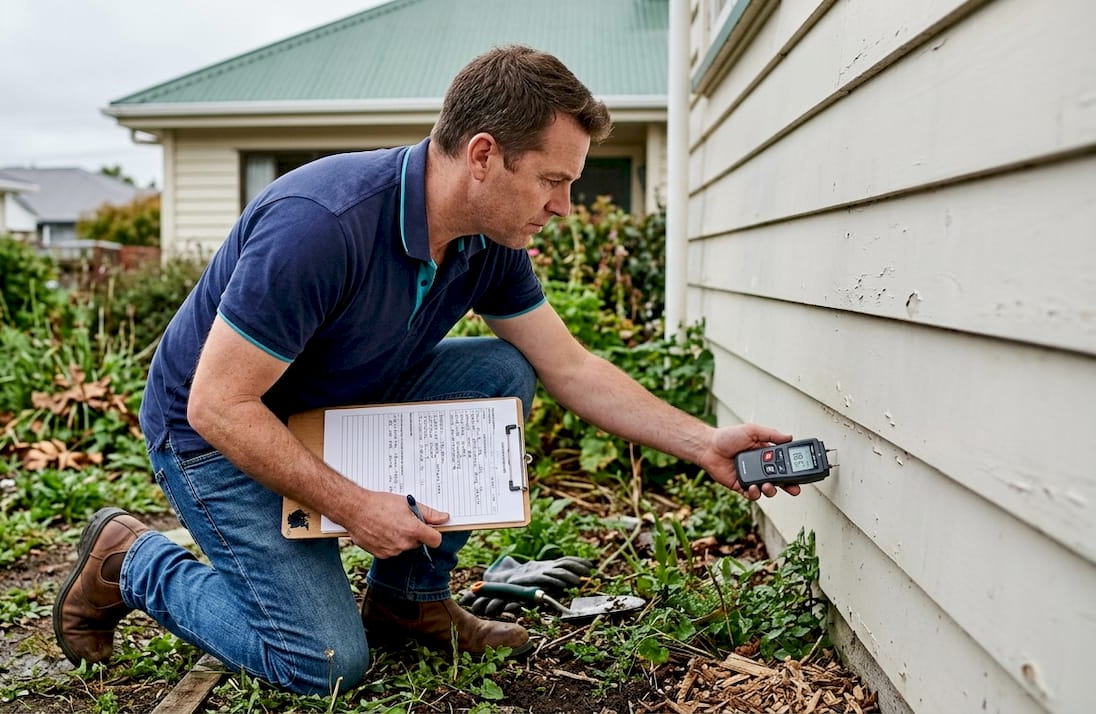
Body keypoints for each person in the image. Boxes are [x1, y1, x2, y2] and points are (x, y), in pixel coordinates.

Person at [52, 44, 800, 696]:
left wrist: (704, 443)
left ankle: (410, 599)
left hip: (326, 407)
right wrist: (354, 505)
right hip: (214, 435)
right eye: (551, 180)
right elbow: (218, 406)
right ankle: (131, 561)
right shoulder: (322, 226)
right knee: (323, 663)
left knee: (501, 371)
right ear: (482, 156)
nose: (565, 206)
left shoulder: (488, 241)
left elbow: (568, 367)